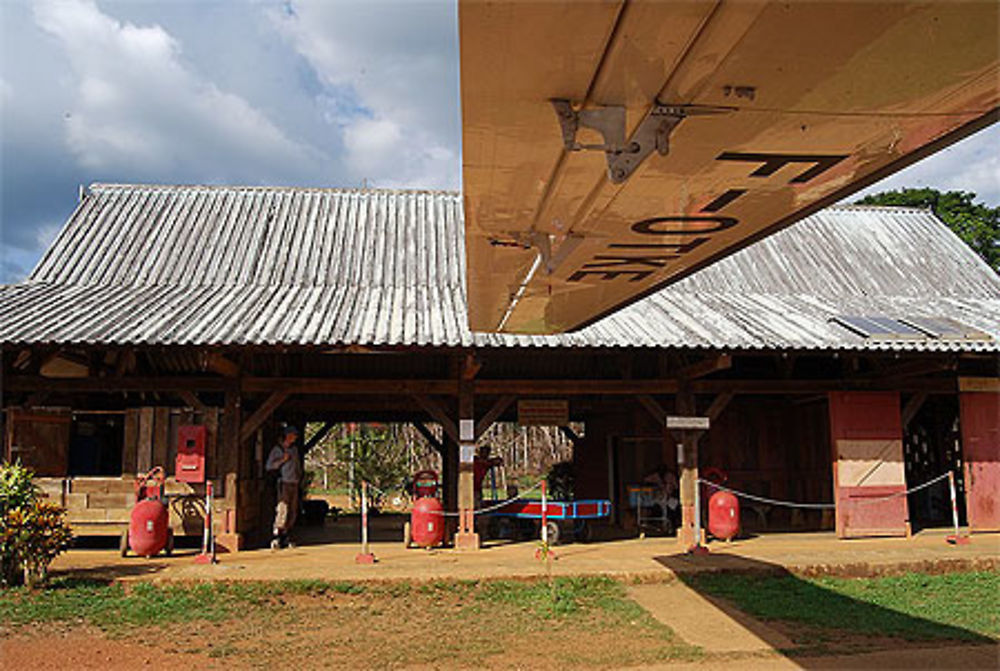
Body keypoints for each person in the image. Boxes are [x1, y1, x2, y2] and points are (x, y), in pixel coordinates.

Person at [266, 425, 301, 550]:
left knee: (293, 510)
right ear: (288, 435)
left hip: (294, 482)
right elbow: (269, 466)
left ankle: (287, 534)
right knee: (283, 509)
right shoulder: (278, 449)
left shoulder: (294, 450)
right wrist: (282, 460)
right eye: (293, 435)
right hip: (283, 482)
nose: (295, 437)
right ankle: (277, 535)